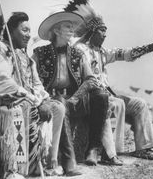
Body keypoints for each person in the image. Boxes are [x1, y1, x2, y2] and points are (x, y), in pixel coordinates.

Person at [66, 0, 153, 160]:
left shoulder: (103, 53)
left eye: (106, 31)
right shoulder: (80, 49)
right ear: (92, 32)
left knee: (140, 104)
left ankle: (143, 147)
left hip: (108, 94)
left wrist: (150, 47)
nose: (105, 35)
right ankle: (111, 152)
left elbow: (125, 53)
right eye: (102, 30)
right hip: (91, 96)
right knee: (118, 103)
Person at [0, 12, 66, 178]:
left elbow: (36, 84)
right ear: (11, 31)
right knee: (23, 106)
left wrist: (42, 100)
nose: (29, 34)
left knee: (57, 108)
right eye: (24, 30)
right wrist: (33, 100)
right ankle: (14, 169)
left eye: (29, 30)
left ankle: (47, 161)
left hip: (26, 101)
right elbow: (3, 83)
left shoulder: (26, 58)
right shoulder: (0, 50)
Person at [33, 11, 122, 167]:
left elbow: (90, 79)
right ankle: (66, 160)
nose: (72, 30)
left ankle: (93, 149)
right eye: (68, 26)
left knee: (101, 96)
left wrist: (76, 97)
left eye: (72, 26)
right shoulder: (39, 53)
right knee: (60, 102)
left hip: (76, 100)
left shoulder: (77, 53)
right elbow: (30, 77)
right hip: (51, 99)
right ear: (56, 30)